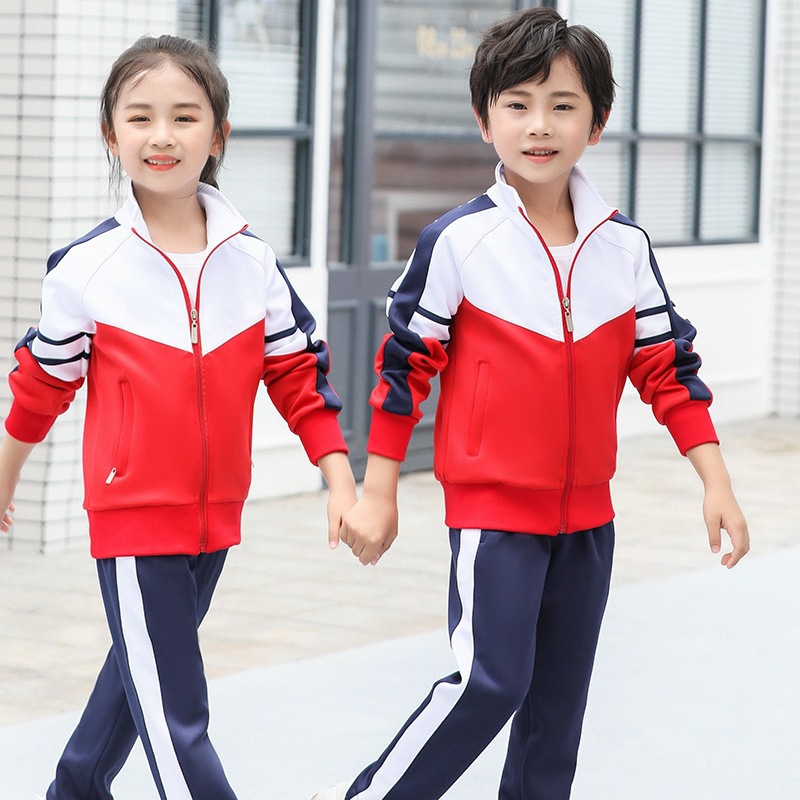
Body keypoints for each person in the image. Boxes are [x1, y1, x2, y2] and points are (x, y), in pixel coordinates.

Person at [313, 7, 750, 800]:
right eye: (517, 104)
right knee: (490, 681)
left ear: (597, 122)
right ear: (486, 120)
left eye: (562, 105)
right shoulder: (458, 242)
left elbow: (668, 367)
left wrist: (714, 480)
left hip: (588, 521)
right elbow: (402, 368)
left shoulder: (624, 248)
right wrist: (380, 491)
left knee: (557, 716)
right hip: (496, 515)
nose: (539, 124)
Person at [0, 34, 356, 800]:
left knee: (140, 678)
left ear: (217, 135)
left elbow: (297, 373)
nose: (161, 135)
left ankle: (75, 786)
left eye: (184, 117)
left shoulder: (251, 262)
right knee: (175, 716)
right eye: (141, 117)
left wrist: (338, 475)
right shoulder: (86, 267)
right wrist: (3, 479)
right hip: (133, 516)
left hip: (215, 516)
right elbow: (40, 386)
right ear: (111, 135)